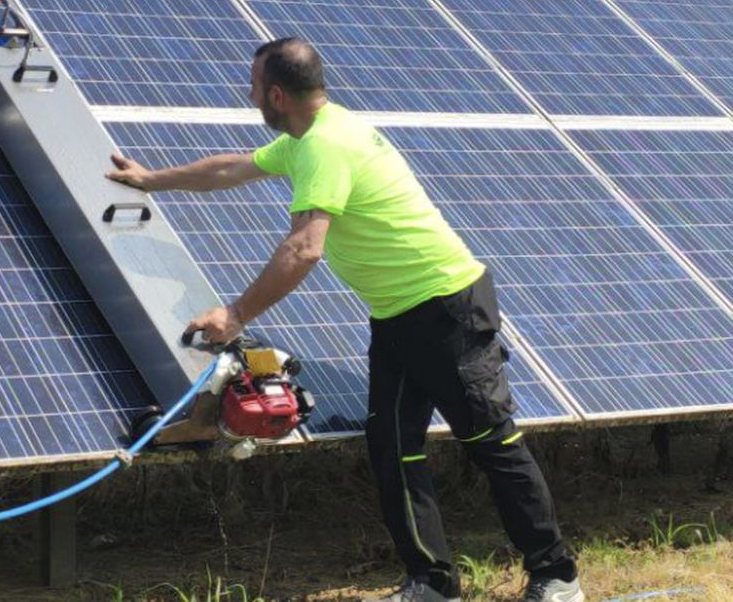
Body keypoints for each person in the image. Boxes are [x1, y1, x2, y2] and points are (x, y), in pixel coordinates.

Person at [106, 37, 583, 602]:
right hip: (398, 317)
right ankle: (432, 582)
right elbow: (232, 169)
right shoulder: (312, 133)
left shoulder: (325, 147)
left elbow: (305, 247)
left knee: (490, 441)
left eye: (254, 86)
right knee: (393, 447)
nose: (248, 93)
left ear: (277, 94)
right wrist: (152, 178)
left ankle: (557, 575)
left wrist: (235, 314)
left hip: (447, 309)